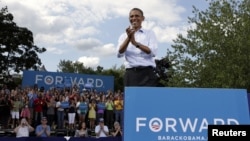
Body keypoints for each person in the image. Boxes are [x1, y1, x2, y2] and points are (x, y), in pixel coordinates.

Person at [117, 7, 158, 86]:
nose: (134, 18)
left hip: (147, 73)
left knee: (147, 97)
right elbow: (119, 53)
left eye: (137, 16)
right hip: (131, 73)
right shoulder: (123, 36)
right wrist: (129, 38)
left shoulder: (149, 33)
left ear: (142, 18)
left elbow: (152, 52)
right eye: (131, 16)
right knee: (131, 98)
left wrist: (135, 43)